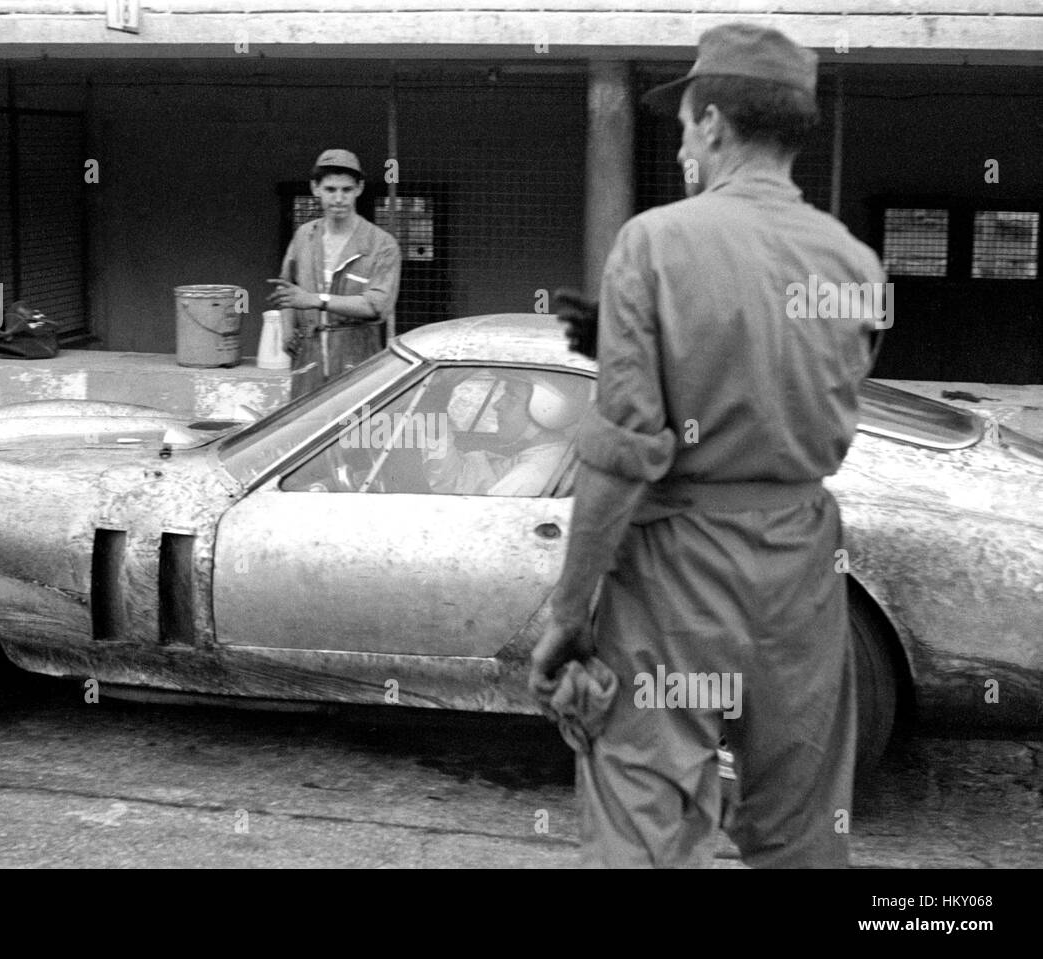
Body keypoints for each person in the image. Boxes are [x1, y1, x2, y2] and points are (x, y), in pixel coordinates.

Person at [528, 23, 886, 868]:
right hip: (801, 567)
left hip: (676, 573)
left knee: (641, 824)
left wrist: (568, 614)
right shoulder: (856, 264)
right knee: (799, 829)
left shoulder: (655, 242)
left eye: (686, 123)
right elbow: (797, 388)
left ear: (715, 123)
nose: (683, 142)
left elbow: (621, 456)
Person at [267, 149, 402, 398]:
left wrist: (316, 300)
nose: (339, 198)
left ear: (359, 188)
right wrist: (287, 331)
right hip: (309, 358)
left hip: (357, 355)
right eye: (330, 189)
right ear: (315, 188)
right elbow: (287, 287)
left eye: (346, 190)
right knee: (307, 429)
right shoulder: (304, 236)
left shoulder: (381, 244)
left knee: (355, 430)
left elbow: (377, 306)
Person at [424, 373, 588, 497]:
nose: (497, 404)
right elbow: (457, 481)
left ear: (547, 410)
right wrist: (434, 413)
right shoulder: (550, 456)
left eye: (512, 396)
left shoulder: (529, 478)